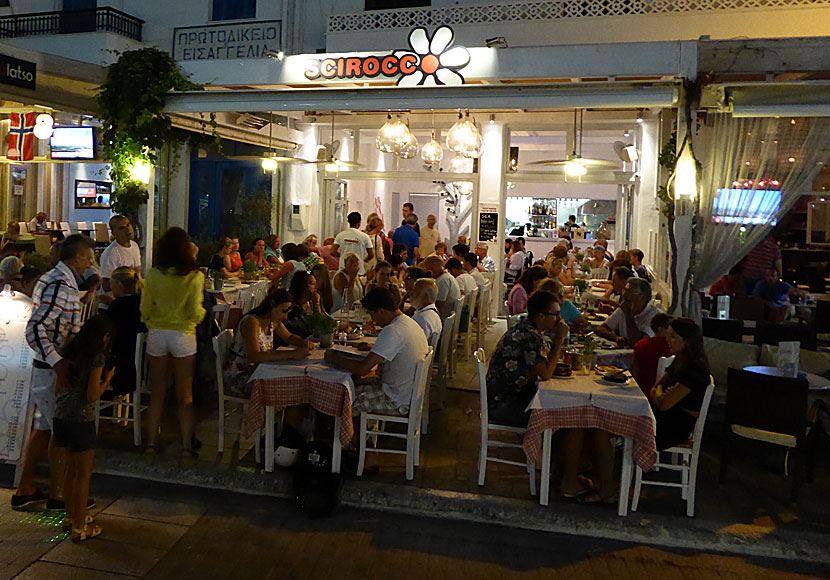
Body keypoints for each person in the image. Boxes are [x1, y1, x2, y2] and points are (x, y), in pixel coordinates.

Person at [13, 234, 96, 512]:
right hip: (52, 369)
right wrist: (58, 362)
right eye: (87, 257)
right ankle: (59, 494)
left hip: (48, 366)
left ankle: (26, 488)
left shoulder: (61, 282)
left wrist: (85, 297)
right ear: (75, 258)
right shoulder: (60, 284)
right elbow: (36, 328)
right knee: (59, 430)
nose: (90, 262)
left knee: (45, 428)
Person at [141, 227, 206, 458]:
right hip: (183, 335)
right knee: (184, 395)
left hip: (157, 332)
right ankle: (187, 446)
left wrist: (150, 320)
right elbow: (194, 310)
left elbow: (145, 307)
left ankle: (150, 443)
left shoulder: (154, 274)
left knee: (157, 391)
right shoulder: (195, 276)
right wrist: (199, 318)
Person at [52, 314, 116, 542]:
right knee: (83, 476)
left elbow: (56, 389)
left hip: (61, 417)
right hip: (82, 419)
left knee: (70, 471)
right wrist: (107, 380)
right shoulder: (97, 358)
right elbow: (92, 395)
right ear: (105, 337)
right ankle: (80, 527)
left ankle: (71, 517)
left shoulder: (69, 352)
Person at [325, 287, 428, 415]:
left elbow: (362, 369)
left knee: (343, 398)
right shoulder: (408, 323)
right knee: (353, 383)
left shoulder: (393, 330)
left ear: (381, 311)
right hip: (406, 393)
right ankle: (358, 431)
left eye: (372, 314)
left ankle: (348, 432)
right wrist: (372, 348)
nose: (373, 319)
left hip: (395, 399)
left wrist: (333, 357)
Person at [487, 291, 569, 428]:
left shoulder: (527, 327)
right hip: (505, 404)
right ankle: (543, 447)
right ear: (541, 316)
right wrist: (559, 339)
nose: (560, 319)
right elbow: (546, 373)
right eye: (556, 315)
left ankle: (546, 447)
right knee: (563, 416)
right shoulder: (530, 337)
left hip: (511, 396)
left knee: (564, 411)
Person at [224, 289, 311, 397]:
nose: (285, 317)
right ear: (272, 304)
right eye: (283, 311)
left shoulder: (273, 323)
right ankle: (271, 412)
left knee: (294, 382)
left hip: (260, 370)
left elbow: (288, 337)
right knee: (289, 388)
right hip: (241, 375)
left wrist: (304, 343)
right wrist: (292, 353)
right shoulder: (251, 322)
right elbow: (255, 355)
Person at [650, 318, 711, 450]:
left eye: (673, 336)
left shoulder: (695, 368)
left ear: (687, 341)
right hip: (665, 417)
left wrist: (660, 395)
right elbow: (654, 388)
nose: (667, 340)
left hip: (674, 425)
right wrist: (660, 393)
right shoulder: (679, 360)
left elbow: (664, 404)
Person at [103, 267, 146, 396]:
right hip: (141, 366)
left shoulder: (118, 306)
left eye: (111, 283)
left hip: (121, 368)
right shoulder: (142, 303)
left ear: (119, 284)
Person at [596, 278, 661, 347]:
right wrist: (616, 338)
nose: (624, 294)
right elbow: (601, 329)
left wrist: (628, 314)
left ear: (642, 298)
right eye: (625, 290)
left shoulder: (654, 316)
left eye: (629, 292)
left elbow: (637, 343)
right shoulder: (625, 308)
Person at [98, 215, 142, 304]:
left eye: (128, 225)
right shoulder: (111, 253)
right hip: (114, 303)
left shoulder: (134, 246)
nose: (128, 229)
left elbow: (138, 273)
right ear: (114, 233)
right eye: (122, 228)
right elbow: (106, 284)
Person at [630, 313, 673, 395]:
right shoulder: (673, 347)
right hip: (665, 394)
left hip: (642, 391)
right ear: (660, 329)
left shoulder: (641, 345)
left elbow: (634, 373)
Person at [285, 271, 321, 339]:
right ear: (302, 286)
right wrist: (316, 304)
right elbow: (317, 327)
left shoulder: (308, 303)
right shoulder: (292, 307)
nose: (316, 287)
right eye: (313, 284)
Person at [410, 278, 442, 344]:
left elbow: (415, 344)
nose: (411, 295)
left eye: (415, 292)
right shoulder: (433, 314)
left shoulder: (422, 319)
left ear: (425, 296)